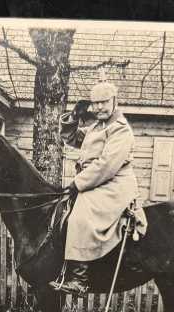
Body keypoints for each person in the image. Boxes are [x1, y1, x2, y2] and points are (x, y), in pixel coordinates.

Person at [49, 81, 139, 296]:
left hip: (114, 182)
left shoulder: (120, 130)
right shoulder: (98, 127)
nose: (99, 107)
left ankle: (79, 279)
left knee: (81, 213)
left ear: (114, 101)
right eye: (95, 103)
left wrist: (77, 183)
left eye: (104, 102)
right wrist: (73, 118)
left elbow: (106, 165)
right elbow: (73, 139)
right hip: (97, 180)